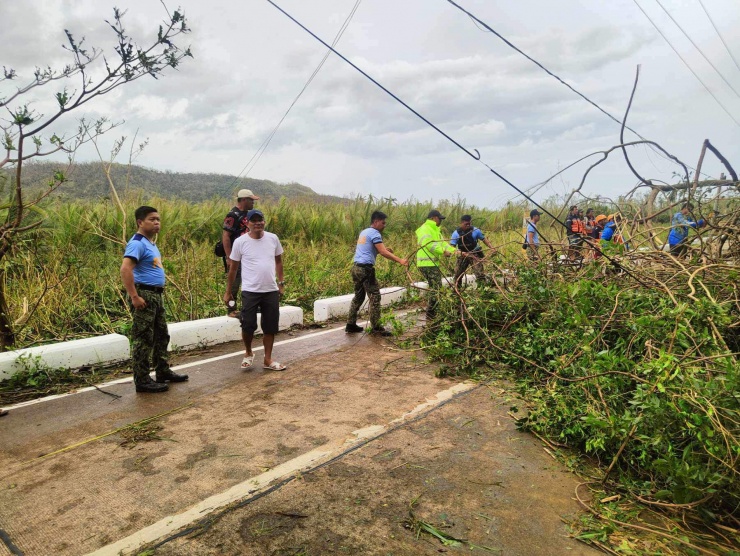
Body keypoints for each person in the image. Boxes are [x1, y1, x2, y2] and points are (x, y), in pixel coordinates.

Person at [121, 206, 188, 393]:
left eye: (158, 219)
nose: (157, 222)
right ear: (140, 222)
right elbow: (125, 269)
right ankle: (142, 380)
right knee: (143, 338)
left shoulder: (150, 242)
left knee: (161, 335)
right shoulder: (137, 243)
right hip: (145, 295)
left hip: (156, 295)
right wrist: (134, 296)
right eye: (152, 219)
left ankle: (162, 371)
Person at [225, 209, 286, 371]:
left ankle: (267, 359)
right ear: (247, 223)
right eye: (254, 220)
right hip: (250, 290)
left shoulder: (273, 238)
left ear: (264, 222)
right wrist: (228, 291)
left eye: (261, 220)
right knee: (248, 325)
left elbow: (278, 261)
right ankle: (248, 352)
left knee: (270, 326)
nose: (258, 223)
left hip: (270, 290)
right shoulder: (240, 242)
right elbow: (233, 269)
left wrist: (281, 283)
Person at [345, 211, 408, 336]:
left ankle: (350, 324)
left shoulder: (364, 232)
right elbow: (383, 252)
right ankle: (376, 327)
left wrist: (383, 250)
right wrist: (400, 260)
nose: (384, 225)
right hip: (366, 270)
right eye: (383, 223)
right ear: (376, 221)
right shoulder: (375, 233)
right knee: (375, 297)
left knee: (358, 296)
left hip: (356, 268)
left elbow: (369, 250)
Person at [222, 188, 260, 317]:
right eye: (251, 200)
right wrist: (229, 257)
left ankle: (251, 306)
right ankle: (231, 309)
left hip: (248, 256)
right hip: (236, 256)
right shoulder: (233, 215)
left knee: (251, 280)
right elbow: (226, 236)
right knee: (234, 282)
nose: (253, 203)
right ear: (244, 200)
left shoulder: (247, 215)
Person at [415, 209, 455, 319]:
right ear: (433, 218)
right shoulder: (425, 229)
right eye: (439, 218)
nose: (441, 221)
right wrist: (443, 252)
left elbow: (443, 244)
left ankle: (432, 313)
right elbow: (429, 245)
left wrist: (455, 251)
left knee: (436, 288)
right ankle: (431, 315)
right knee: (437, 289)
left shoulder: (436, 230)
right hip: (426, 264)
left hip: (432, 264)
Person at [450, 215, 494, 286]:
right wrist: (457, 253)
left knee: (480, 274)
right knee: (458, 274)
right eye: (466, 224)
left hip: (474, 254)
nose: (468, 225)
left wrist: (492, 248)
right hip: (463, 254)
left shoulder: (476, 230)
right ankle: (457, 289)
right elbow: (452, 247)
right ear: (461, 223)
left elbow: (484, 239)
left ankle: (483, 289)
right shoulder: (456, 234)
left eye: (469, 224)